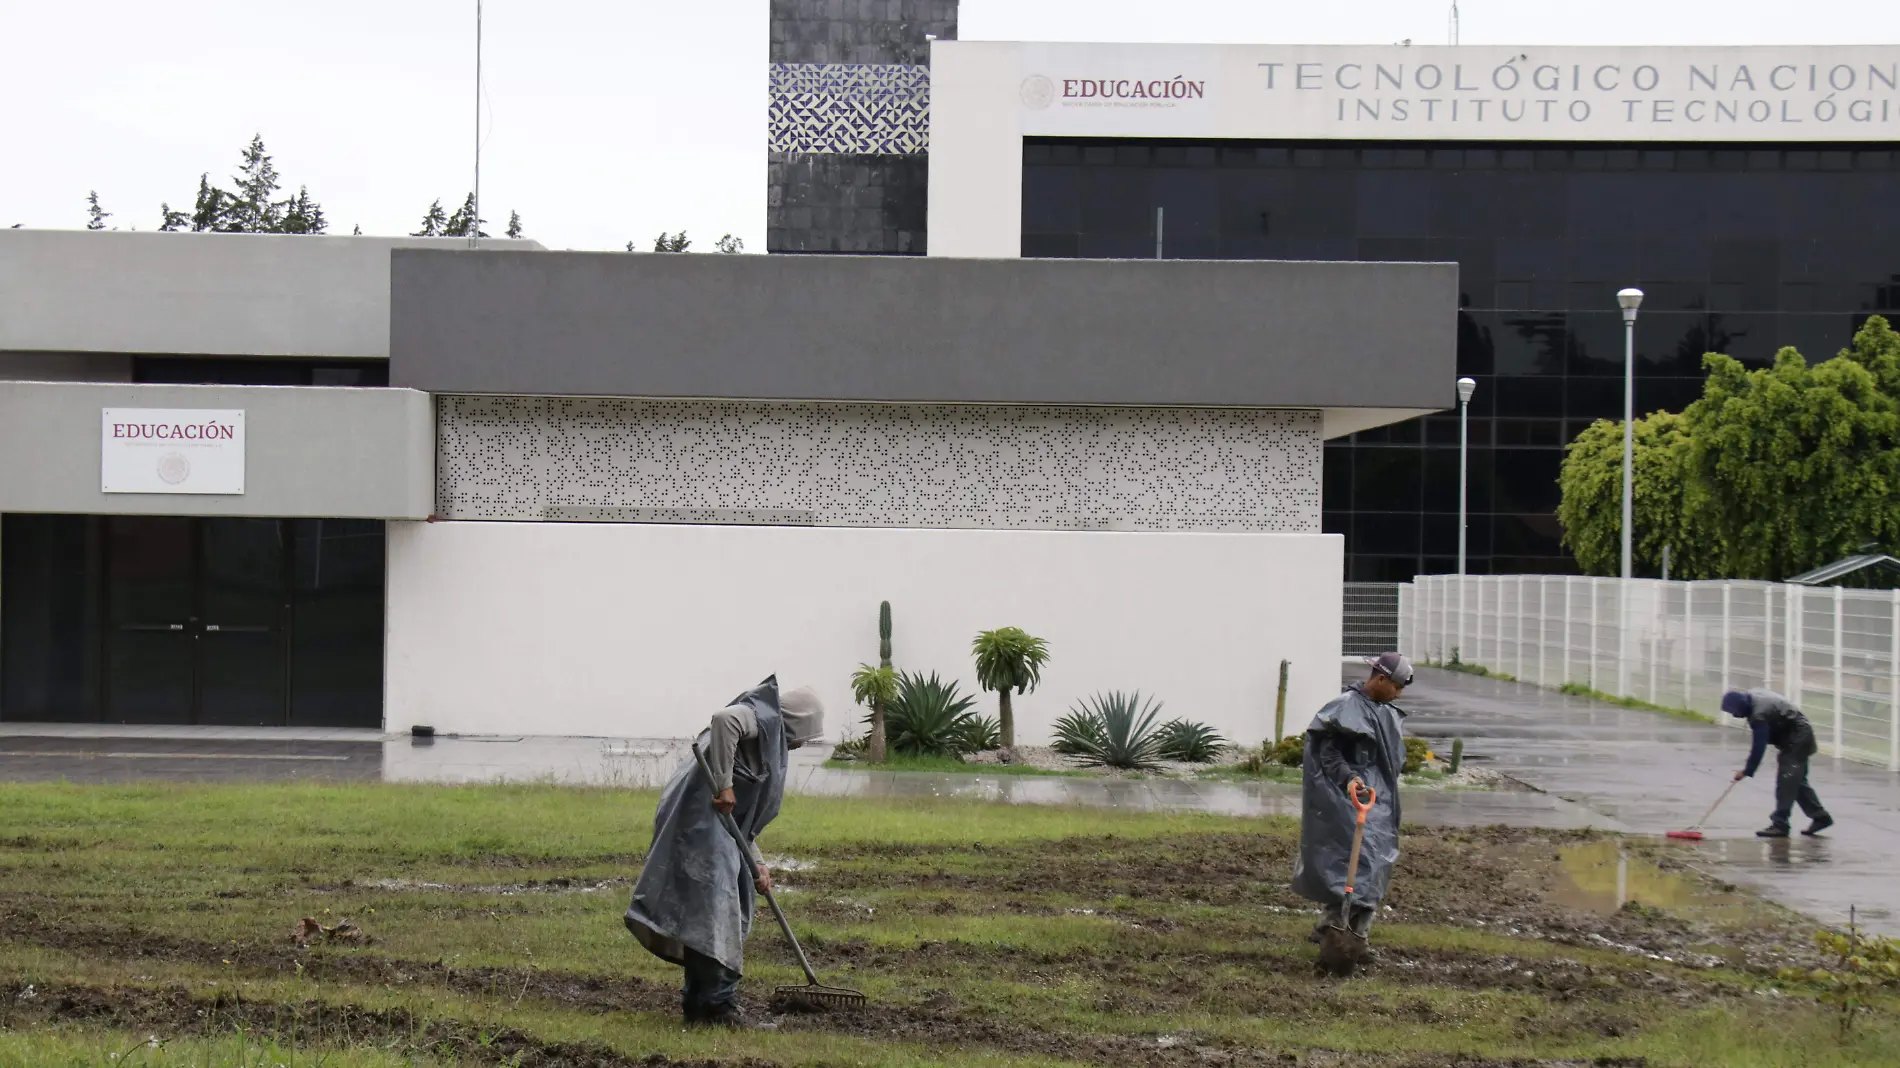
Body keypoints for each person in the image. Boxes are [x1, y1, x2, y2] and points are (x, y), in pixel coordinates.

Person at [625, 677, 825, 1027]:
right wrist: (725, 784)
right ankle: (718, 1006)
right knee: (718, 909)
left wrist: (758, 865)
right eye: (801, 738)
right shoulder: (759, 716)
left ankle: (699, 1002)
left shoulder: (763, 740)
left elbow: (741, 819)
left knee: (706, 912)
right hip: (698, 822)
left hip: (713, 824)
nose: (797, 746)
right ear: (794, 723)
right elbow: (723, 720)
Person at [1293, 651, 1411, 958]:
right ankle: (1346, 932)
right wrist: (1349, 779)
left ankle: (1344, 932)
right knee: (1360, 865)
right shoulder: (1345, 709)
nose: (1399, 694)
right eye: (1397, 686)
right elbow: (1328, 754)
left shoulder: (1382, 709)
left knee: (1374, 866)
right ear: (1381, 679)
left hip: (1380, 801)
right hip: (1349, 800)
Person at [1722, 689, 1832, 838]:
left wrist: (1748, 770)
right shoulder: (1754, 699)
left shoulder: (1758, 713)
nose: (1735, 716)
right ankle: (1821, 817)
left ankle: (1780, 824)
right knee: (1796, 782)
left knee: (1786, 781)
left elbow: (1758, 746)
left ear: (1741, 706)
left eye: (1734, 712)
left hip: (1798, 737)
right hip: (1797, 735)